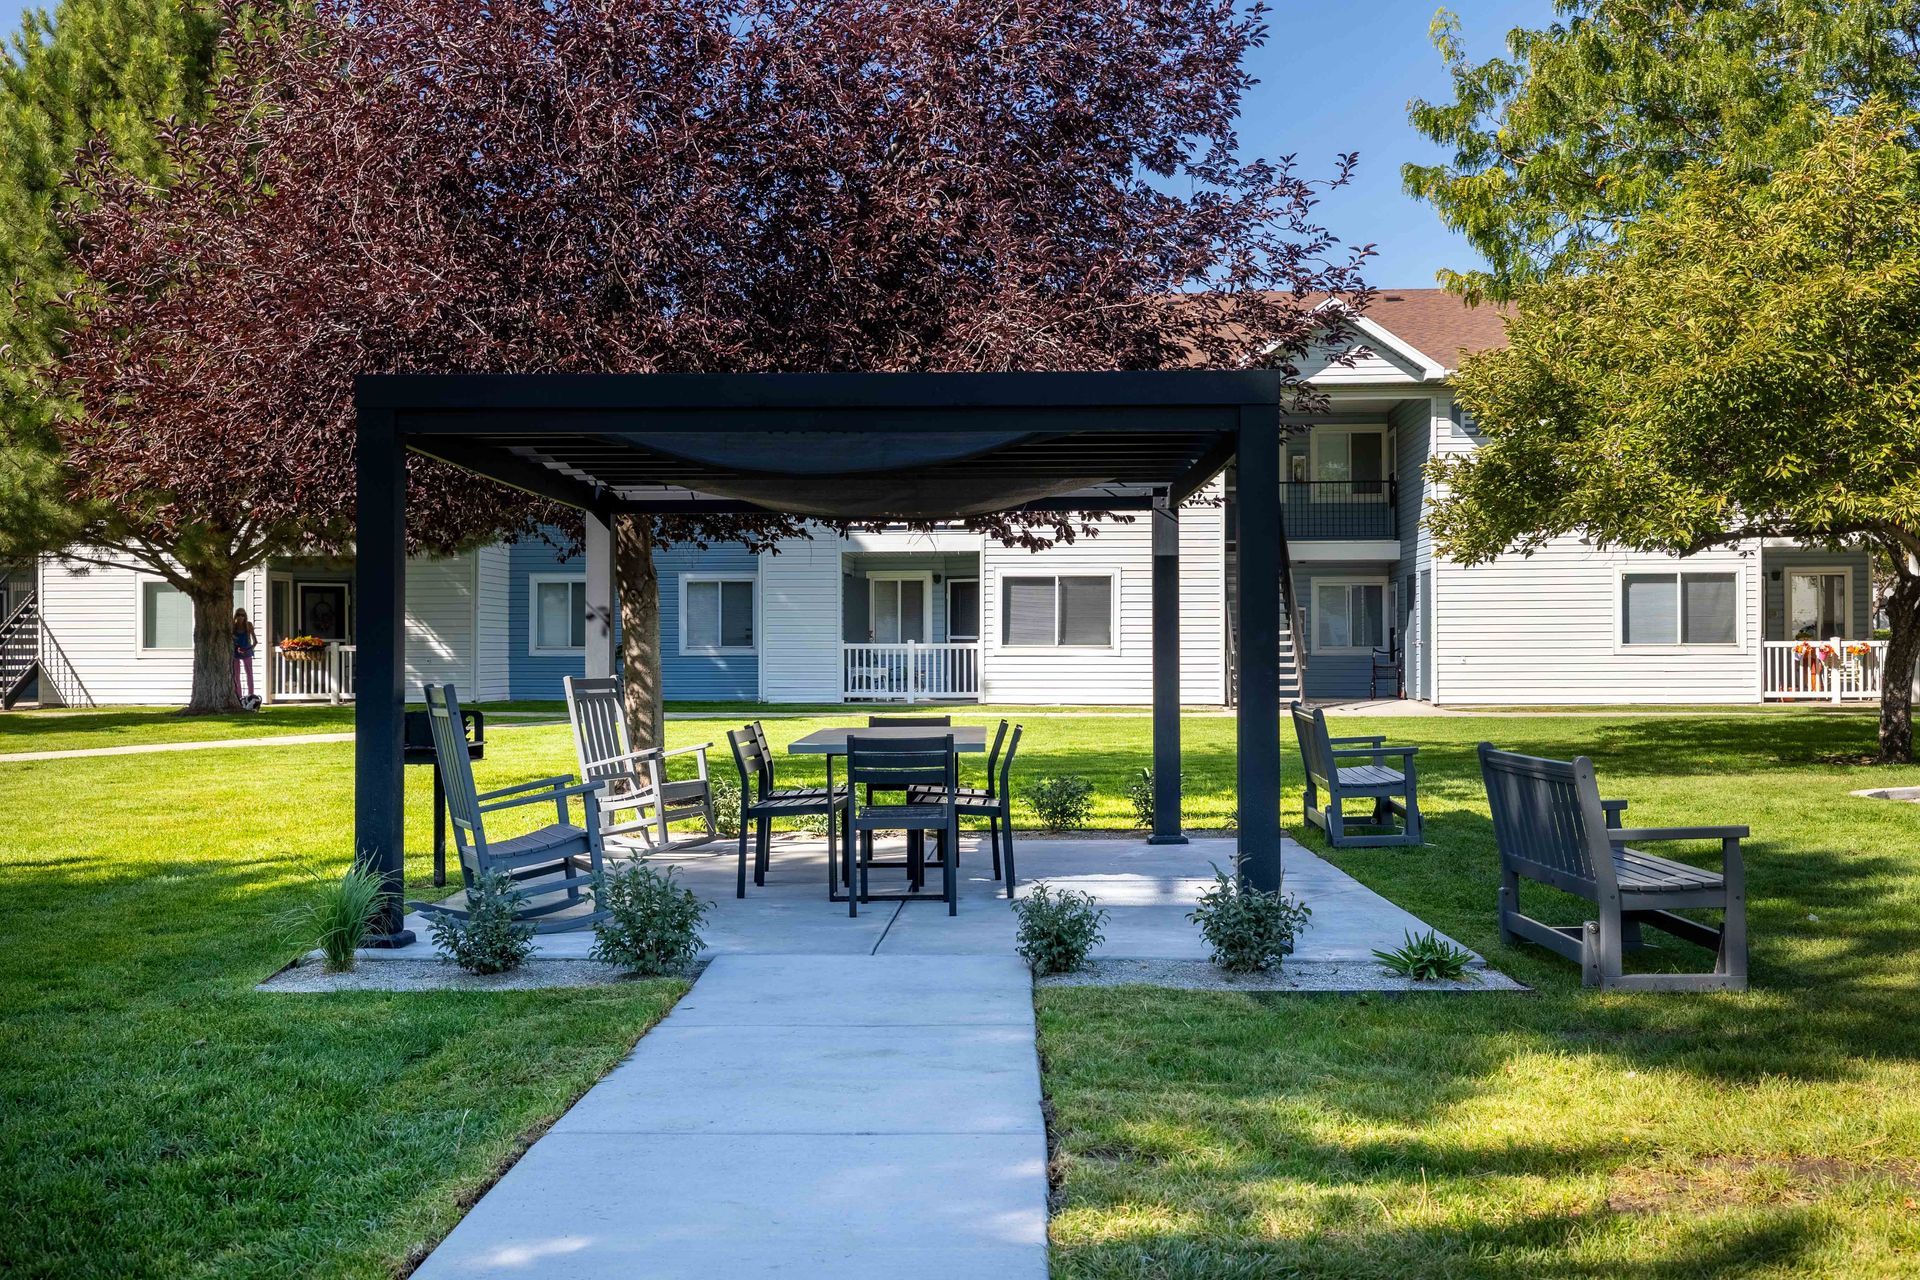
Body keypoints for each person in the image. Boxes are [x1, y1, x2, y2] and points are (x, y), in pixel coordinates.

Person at [233, 607, 259, 706]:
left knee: (249, 674)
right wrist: (237, 647)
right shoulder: (233, 627)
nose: (240, 617)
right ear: (236, 616)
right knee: (236, 675)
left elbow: (255, 641)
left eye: (242, 615)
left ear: (245, 616)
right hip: (236, 652)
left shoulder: (248, 626)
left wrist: (248, 649)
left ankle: (251, 695)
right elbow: (232, 640)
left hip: (247, 652)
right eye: (238, 615)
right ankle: (239, 697)